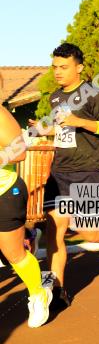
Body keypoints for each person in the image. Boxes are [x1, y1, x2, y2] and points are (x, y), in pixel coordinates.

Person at [34, 43, 99, 309]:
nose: (57, 72)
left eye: (64, 67)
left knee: (90, 232)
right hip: (60, 172)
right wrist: (45, 131)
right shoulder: (55, 97)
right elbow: (65, 133)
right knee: (53, 232)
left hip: (88, 173)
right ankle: (57, 291)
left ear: (79, 68)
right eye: (55, 66)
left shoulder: (92, 93)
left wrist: (80, 122)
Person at [0, 86, 53, 327]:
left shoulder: (0, 115)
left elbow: (20, 151)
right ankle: (29, 235)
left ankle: (38, 294)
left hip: (5, 192)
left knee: (14, 254)